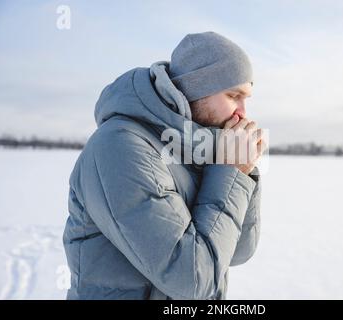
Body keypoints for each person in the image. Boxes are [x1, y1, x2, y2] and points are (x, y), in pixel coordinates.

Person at [63, 31, 265, 300]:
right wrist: (231, 171)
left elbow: (237, 252)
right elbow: (192, 279)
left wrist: (242, 172)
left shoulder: (196, 148)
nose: (243, 112)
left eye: (246, 98)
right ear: (196, 89)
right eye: (233, 95)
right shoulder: (120, 147)